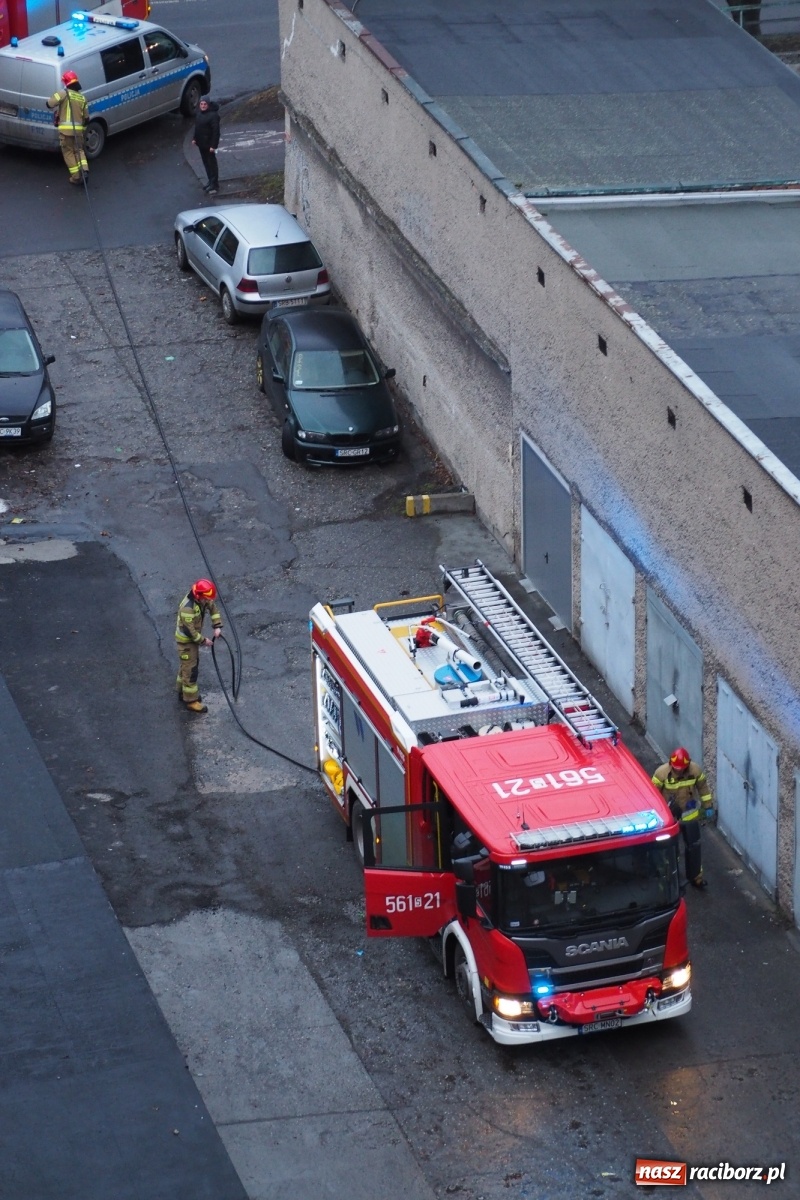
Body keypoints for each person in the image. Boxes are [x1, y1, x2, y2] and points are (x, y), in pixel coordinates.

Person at [651, 747, 714, 889]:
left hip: (689, 816)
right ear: (671, 763)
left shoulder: (695, 770)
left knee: (694, 848)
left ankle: (696, 877)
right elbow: (652, 794)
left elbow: (703, 788)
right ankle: (670, 877)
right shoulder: (661, 773)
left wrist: (708, 805)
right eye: (676, 768)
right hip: (670, 818)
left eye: (682, 768)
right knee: (671, 849)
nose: (679, 771)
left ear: (688, 764)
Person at [175, 578, 223, 713]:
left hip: (191, 641)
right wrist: (203, 641)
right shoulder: (187, 608)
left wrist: (217, 626)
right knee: (190, 670)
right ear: (199, 595)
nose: (207, 600)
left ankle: (182, 692)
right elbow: (189, 632)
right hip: (186, 642)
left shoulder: (201, 598)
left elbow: (213, 608)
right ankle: (191, 701)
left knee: (185, 666)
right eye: (206, 598)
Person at [46, 70, 89, 186]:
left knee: (68, 153)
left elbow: (49, 104)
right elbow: (86, 118)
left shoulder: (63, 93)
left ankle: (76, 177)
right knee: (79, 150)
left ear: (66, 82)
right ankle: (85, 170)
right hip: (78, 132)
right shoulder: (82, 98)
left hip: (66, 132)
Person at [193, 97, 220, 195]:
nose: (203, 106)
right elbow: (197, 128)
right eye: (201, 104)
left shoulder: (213, 116)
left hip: (209, 145)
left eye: (205, 104)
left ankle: (214, 183)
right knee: (206, 163)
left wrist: (213, 145)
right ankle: (210, 181)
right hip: (201, 144)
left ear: (208, 105)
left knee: (211, 164)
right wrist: (194, 138)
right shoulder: (199, 114)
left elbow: (216, 132)